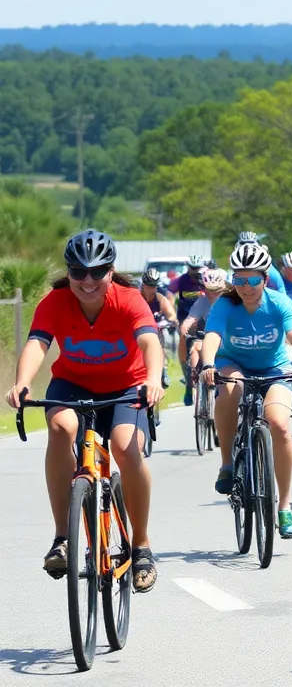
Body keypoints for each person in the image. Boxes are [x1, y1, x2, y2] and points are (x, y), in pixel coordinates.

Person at [6, 230, 165, 591]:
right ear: (69, 272)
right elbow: (37, 343)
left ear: (111, 271)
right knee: (61, 429)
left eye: (98, 272)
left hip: (127, 387)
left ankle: (141, 546)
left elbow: (149, 341)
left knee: (126, 447)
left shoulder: (128, 300)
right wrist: (22, 382)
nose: (88, 280)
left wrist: (154, 378)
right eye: (78, 272)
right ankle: (63, 537)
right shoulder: (55, 301)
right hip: (73, 385)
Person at [200, 242, 292, 539]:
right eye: (239, 280)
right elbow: (212, 335)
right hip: (232, 362)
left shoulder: (279, 303)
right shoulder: (224, 304)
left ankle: (285, 506)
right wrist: (208, 363)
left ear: (265, 279)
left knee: (278, 423)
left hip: (274, 367)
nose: (246, 287)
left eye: (253, 280)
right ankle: (227, 463)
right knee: (230, 389)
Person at [168, 255, 207, 405]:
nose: (194, 272)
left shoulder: (205, 279)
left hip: (202, 315)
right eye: (192, 269)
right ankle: (185, 367)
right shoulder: (182, 280)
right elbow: (170, 293)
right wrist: (171, 308)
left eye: (197, 269)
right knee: (183, 337)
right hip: (185, 315)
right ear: (188, 267)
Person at [181, 269, 228, 373]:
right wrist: (185, 329)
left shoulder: (231, 302)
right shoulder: (202, 300)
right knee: (195, 347)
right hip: (209, 340)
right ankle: (195, 382)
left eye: (215, 291)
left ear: (224, 288)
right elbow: (189, 321)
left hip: (230, 344)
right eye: (207, 289)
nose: (211, 294)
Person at [140, 268, 177, 390]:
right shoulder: (136, 297)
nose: (152, 289)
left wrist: (170, 322)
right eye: (149, 286)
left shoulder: (160, 298)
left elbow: (171, 315)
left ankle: (163, 370)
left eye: (155, 286)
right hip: (138, 332)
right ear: (143, 284)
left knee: (160, 346)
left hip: (155, 332)